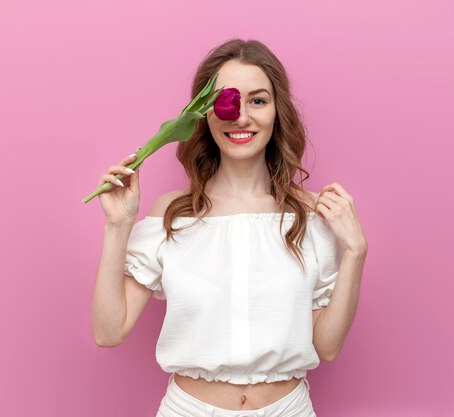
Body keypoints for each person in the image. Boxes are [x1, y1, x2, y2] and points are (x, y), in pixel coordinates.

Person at [91, 38, 368, 417]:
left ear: (276, 111)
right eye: (228, 101)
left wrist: (355, 251)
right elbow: (108, 331)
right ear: (203, 113)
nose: (241, 117)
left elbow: (328, 346)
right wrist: (118, 226)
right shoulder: (174, 215)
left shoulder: (309, 213)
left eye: (257, 100)